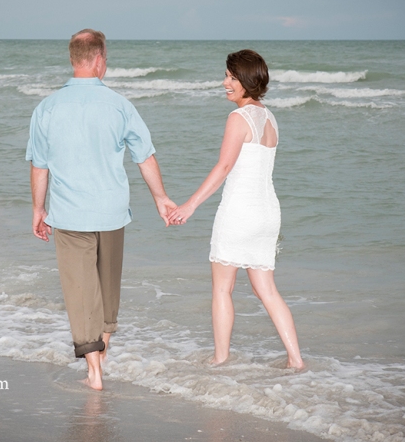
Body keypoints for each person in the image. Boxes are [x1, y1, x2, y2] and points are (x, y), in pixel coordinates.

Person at [27, 29, 176, 390]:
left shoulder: (46, 108)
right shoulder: (119, 105)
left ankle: (94, 370)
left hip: (69, 214)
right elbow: (145, 156)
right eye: (105, 58)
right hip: (111, 212)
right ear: (97, 60)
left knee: (81, 291)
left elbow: (39, 165)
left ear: (73, 59)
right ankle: (102, 354)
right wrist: (161, 198)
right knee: (108, 291)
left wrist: (37, 208)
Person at [168, 50, 305, 370]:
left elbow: (225, 166)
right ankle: (296, 360)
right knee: (267, 290)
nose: (225, 82)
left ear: (247, 81)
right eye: (226, 76)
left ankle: (221, 359)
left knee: (222, 288)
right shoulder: (270, 117)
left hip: (240, 210)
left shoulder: (238, 118)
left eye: (231, 77)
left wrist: (190, 205)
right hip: (268, 212)